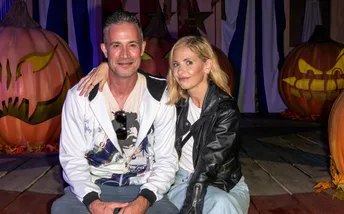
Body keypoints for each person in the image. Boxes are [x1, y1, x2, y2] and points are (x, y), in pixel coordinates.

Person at [78, 36, 250, 214]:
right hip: (182, 182)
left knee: (221, 204)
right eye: (176, 64)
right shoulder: (175, 101)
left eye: (189, 62)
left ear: (207, 65)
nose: (181, 71)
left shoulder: (225, 110)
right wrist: (107, 67)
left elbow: (208, 165)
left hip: (223, 185)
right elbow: (140, 77)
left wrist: (192, 205)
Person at [52, 11, 179, 214]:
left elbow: (166, 160)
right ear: (104, 49)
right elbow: (72, 159)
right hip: (93, 189)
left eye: (132, 45)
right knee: (61, 210)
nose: (125, 54)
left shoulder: (161, 96)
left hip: (143, 188)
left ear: (142, 48)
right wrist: (94, 204)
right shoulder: (79, 97)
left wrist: (142, 203)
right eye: (116, 46)